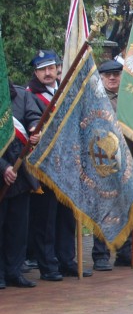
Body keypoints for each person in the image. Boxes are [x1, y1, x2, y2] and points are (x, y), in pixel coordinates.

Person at [26, 50, 90, 280]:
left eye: (51, 68)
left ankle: (66, 259)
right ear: (35, 72)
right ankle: (48, 264)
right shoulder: (30, 95)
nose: (47, 73)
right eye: (42, 69)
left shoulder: (65, 92)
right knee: (46, 218)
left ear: (57, 69)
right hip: (45, 166)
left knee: (66, 216)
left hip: (68, 163)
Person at [91, 60, 133, 270]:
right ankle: (101, 254)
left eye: (116, 74)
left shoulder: (132, 98)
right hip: (105, 161)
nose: (112, 78)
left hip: (130, 160)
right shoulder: (96, 99)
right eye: (107, 75)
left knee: (128, 206)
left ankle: (126, 252)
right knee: (104, 208)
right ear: (101, 78)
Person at [0, 82, 40, 289]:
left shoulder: (22, 96)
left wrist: (34, 129)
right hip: (3, 172)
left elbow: (33, 116)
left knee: (18, 228)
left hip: (21, 173)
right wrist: (3, 167)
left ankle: (14, 271)